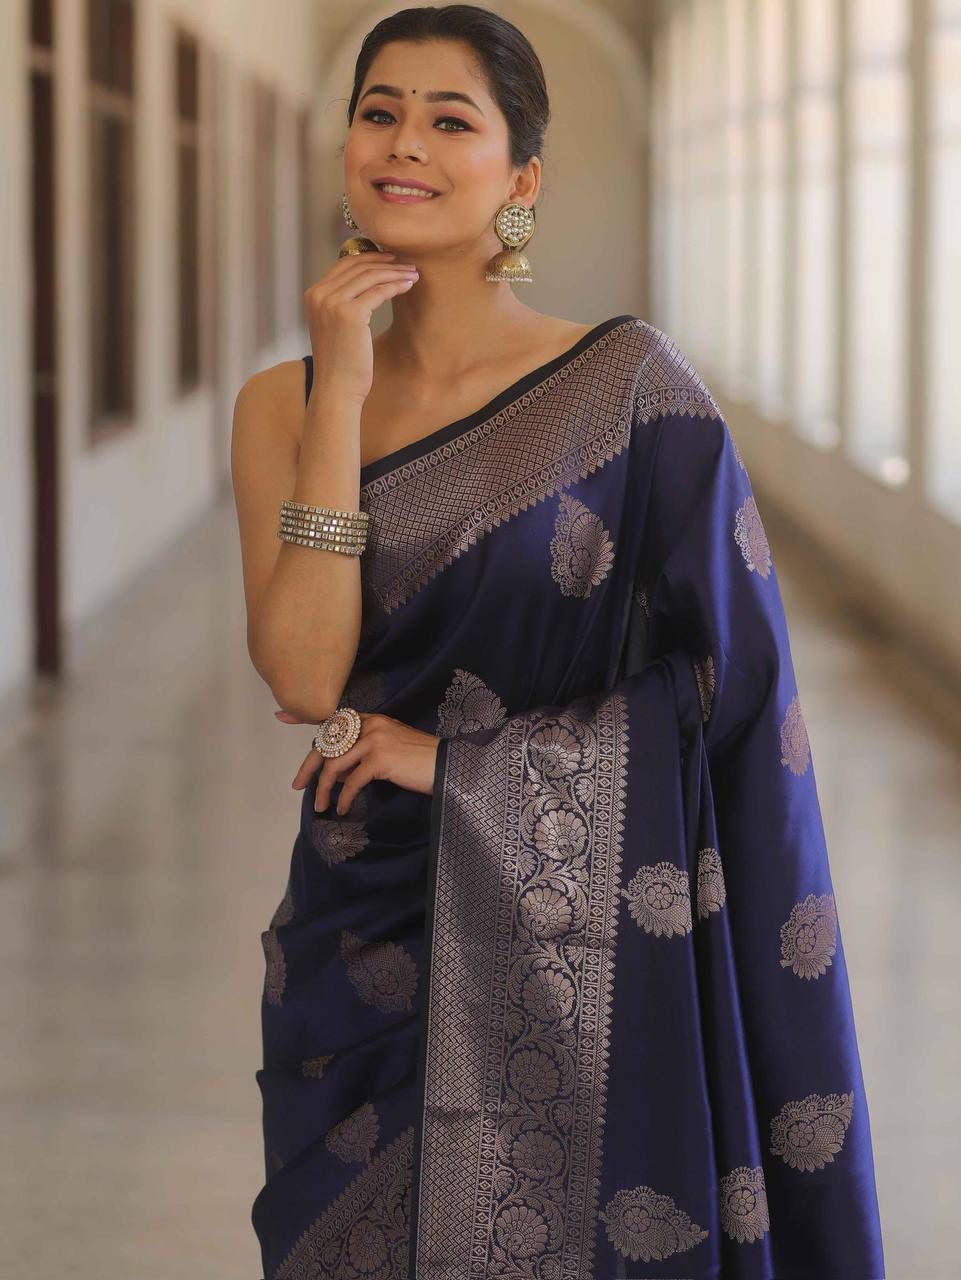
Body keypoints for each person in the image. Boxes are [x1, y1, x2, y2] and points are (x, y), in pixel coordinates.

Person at [230, 6, 885, 1278]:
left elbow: (728, 690)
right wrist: (343, 388)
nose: (402, 143)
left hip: (572, 928)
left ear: (519, 180)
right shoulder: (288, 401)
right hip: (362, 918)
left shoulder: (630, 389)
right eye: (378, 111)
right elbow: (304, 675)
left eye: (449, 120)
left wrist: (459, 765)